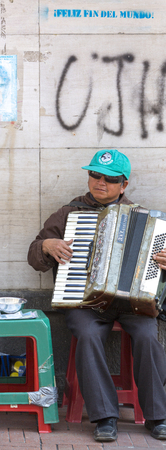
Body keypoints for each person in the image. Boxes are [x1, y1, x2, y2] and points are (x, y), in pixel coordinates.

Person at [28, 149, 166, 442]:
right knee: (88, 336)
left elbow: (157, 274)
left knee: (147, 336)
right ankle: (105, 417)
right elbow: (35, 253)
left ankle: (158, 416)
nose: (100, 182)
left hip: (131, 304)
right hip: (84, 302)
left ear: (124, 184)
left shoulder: (148, 221)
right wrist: (47, 245)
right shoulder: (69, 213)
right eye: (94, 175)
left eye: (110, 178)